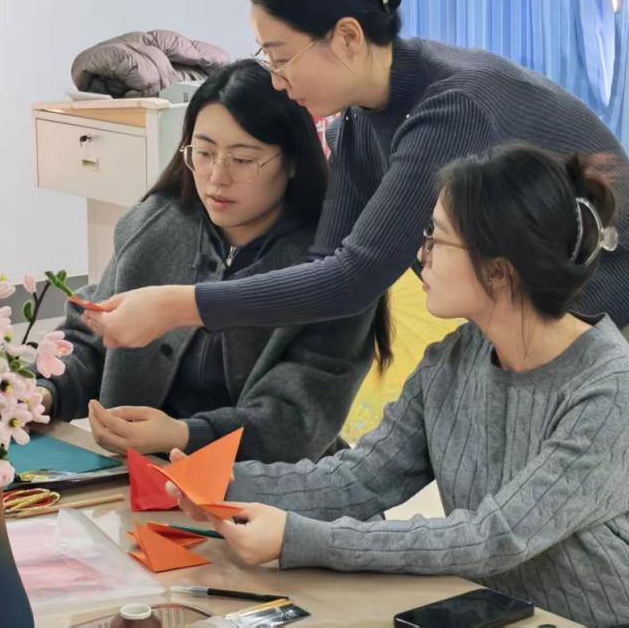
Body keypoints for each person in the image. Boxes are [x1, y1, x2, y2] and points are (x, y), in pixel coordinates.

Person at [85, 0, 629, 626]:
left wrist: (181, 305)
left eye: (280, 56)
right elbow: (330, 278)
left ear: (346, 37)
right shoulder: (364, 137)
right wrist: (200, 471)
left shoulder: (453, 108)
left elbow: (354, 277)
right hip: (530, 341)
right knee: (553, 566)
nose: (275, 79)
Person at [170, 145, 629, 627]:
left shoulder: (613, 390)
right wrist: (221, 484)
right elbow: (361, 479)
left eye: (437, 238)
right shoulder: (452, 360)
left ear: (498, 270)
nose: (422, 254)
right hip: (501, 615)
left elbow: (494, 536)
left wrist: (299, 539)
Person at [36, 60, 384, 462]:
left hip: (275, 489)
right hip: (139, 475)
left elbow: (298, 420)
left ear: (292, 162)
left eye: (243, 160)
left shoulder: (334, 270)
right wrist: (45, 392)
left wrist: (185, 435)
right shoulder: (153, 225)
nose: (217, 177)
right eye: (203, 153)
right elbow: (90, 339)